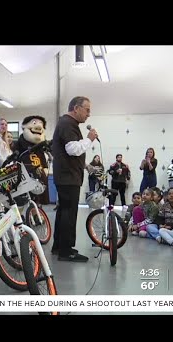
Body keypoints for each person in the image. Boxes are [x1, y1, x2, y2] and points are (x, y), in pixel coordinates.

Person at [51, 96, 97, 262]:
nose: (88, 114)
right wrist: (89, 139)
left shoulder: (67, 124)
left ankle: (59, 246)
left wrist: (84, 165)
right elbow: (72, 149)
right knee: (69, 214)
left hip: (66, 175)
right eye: (87, 110)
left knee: (64, 212)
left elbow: (66, 152)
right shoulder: (68, 124)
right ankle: (66, 251)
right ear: (76, 108)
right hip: (68, 177)